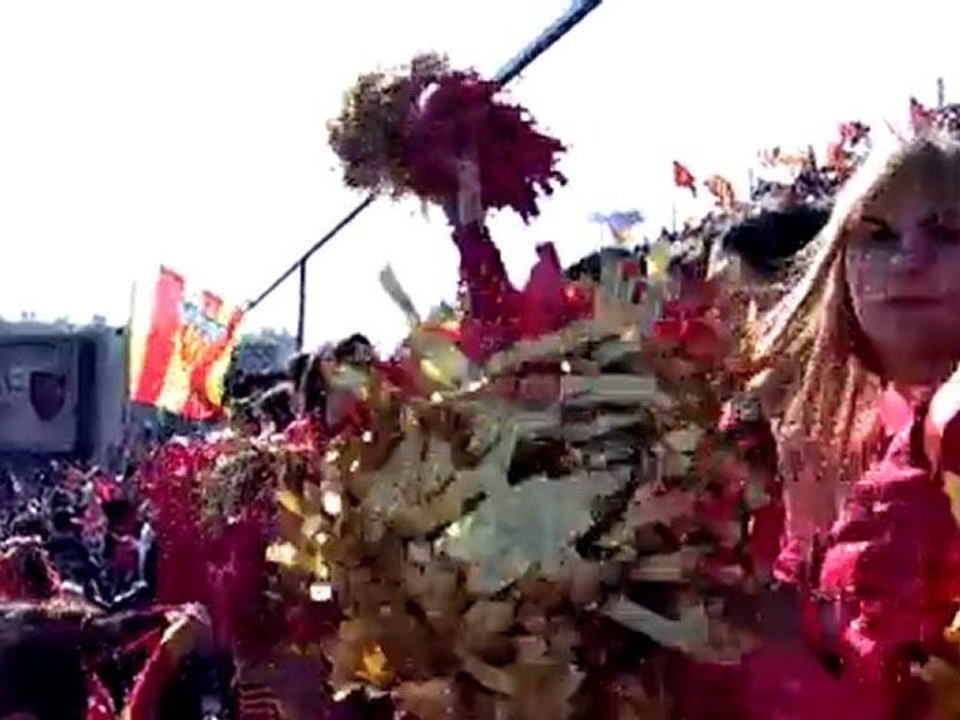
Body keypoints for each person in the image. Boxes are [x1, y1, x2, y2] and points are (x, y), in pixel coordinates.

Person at [737, 129, 960, 718]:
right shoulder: (798, 439)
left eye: (947, 231)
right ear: (839, 268)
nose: (910, 258)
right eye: (878, 235)